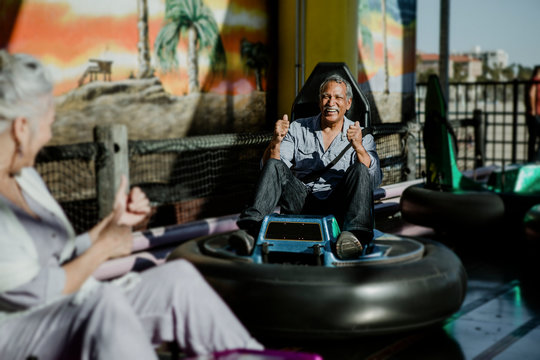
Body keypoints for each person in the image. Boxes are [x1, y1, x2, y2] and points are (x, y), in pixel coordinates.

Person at [0, 51, 263, 359]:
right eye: (48, 124)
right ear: (20, 128)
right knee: (104, 304)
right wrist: (104, 247)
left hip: (74, 304)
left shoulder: (25, 177)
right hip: (17, 332)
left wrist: (110, 225)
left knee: (178, 279)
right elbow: (34, 291)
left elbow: (63, 253)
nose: (48, 136)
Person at [231, 74, 382, 259]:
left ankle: (355, 238)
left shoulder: (362, 134)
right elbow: (270, 169)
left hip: (339, 203)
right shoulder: (297, 128)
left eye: (338, 97)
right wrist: (275, 141)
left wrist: (358, 146)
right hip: (301, 199)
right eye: (326, 97)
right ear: (319, 101)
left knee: (361, 168)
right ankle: (250, 231)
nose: (331, 102)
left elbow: (373, 180)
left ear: (348, 103)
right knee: (273, 164)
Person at [526, 66, 540, 162]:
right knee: (533, 138)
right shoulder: (536, 81)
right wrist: (534, 110)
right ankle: (535, 160)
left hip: (532, 114)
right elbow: (531, 94)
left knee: (532, 139)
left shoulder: (531, 81)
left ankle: (532, 160)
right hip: (536, 114)